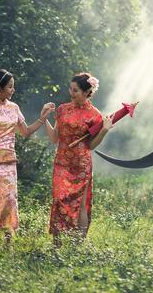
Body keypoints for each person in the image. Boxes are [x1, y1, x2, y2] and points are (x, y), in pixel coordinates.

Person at [0, 69, 54, 249]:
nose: (12, 90)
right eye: (10, 87)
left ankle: (8, 242)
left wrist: (43, 118)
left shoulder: (14, 108)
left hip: (8, 161)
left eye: (13, 87)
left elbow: (25, 132)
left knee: (9, 199)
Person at [44, 72, 113, 246]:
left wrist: (104, 130)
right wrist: (44, 119)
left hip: (81, 164)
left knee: (81, 205)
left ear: (86, 92)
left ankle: (78, 246)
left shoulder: (95, 115)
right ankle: (57, 245)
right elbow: (54, 138)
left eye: (75, 90)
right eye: (71, 89)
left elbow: (91, 145)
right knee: (59, 200)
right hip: (62, 162)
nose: (71, 93)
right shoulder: (62, 110)